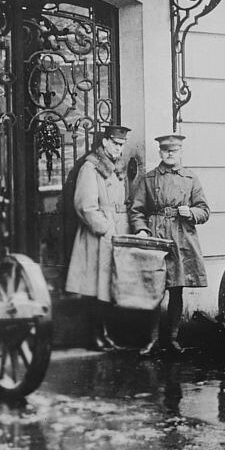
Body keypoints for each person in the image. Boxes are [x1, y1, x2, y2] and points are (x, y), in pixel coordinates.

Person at [130, 133, 210, 355]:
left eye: (174, 151)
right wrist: (142, 230)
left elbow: (205, 211)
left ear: (181, 152)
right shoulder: (149, 179)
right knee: (154, 289)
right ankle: (152, 340)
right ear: (160, 153)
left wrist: (191, 212)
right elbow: (136, 211)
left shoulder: (190, 179)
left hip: (181, 238)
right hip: (157, 238)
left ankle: (173, 339)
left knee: (176, 289)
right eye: (166, 151)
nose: (170, 154)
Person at [65, 125, 131, 350]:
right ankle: (95, 335)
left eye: (122, 145)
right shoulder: (91, 167)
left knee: (109, 286)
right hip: (98, 236)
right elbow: (84, 205)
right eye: (115, 143)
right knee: (95, 288)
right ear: (104, 142)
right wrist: (104, 228)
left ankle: (105, 333)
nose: (118, 149)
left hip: (116, 233)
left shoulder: (117, 168)